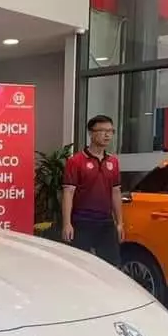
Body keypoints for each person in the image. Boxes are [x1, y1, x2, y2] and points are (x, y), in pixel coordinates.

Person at [61, 114, 123, 266]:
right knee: (80, 266)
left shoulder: (113, 161)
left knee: (112, 266)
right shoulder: (75, 161)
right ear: (90, 133)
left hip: (106, 222)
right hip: (82, 221)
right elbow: (68, 193)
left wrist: (120, 222)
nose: (107, 134)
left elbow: (116, 192)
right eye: (102, 130)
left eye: (110, 131)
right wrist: (67, 223)